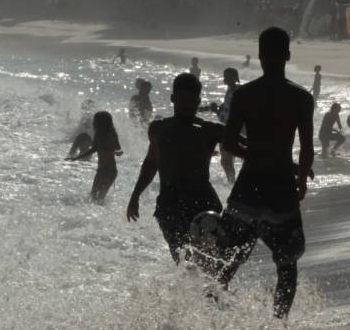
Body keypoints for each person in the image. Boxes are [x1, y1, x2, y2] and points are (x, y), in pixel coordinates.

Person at [214, 27, 314, 319]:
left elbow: (229, 143)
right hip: (281, 187)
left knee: (230, 260)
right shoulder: (300, 98)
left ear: (259, 55)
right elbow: (306, 148)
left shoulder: (244, 95)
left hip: (248, 187)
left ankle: (210, 323)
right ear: (287, 55)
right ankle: (278, 326)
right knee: (287, 263)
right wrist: (300, 178)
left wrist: (256, 153)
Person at [126, 73, 225, 265]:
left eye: (192, 101)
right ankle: (189, 294)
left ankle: (214, 294)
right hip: (170, 205)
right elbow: (151, 162)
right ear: (173, 99)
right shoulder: (158, 128)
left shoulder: (210, 130)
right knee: (183, 261)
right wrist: (135, 195)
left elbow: (248, 149)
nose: (188, 105)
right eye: (183, 100)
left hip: (203, 202)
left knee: (210, 261)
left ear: (198, 101)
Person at [68, 111, 123, 204]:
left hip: (106, 170)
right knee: (97, 198)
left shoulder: (105, 134)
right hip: (107, 171)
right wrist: (77, 158)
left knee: (95, 197)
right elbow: (95, 149)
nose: (94, 122)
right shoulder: (105, 134)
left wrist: (77, 157)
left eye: (96, 120)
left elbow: (116, 148)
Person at [215, 68, 242, 183]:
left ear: (235, 78)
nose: (225, 79)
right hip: (226, 128)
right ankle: (232, 182)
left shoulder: (239, 91)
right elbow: (227, 110)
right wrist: (216, 110)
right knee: (225, 161)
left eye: (227, 76)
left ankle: (234, 183)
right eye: (225, 76)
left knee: (227, 159)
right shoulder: (229, 90)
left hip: (236, 130)